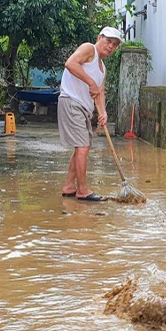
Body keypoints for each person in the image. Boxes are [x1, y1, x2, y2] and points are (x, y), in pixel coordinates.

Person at [58, 27, 122, 202]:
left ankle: (70, 186)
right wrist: (90, 82)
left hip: (84, 108)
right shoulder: (89, 49)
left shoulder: (103, 68)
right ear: (99, 38)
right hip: (71, 101)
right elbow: (70, 63)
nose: (111, 46)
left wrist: (103, 113)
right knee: (83, 147)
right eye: (108, 41)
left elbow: (99, 92)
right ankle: (83, 190)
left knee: (81, 147)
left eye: (115, 45)